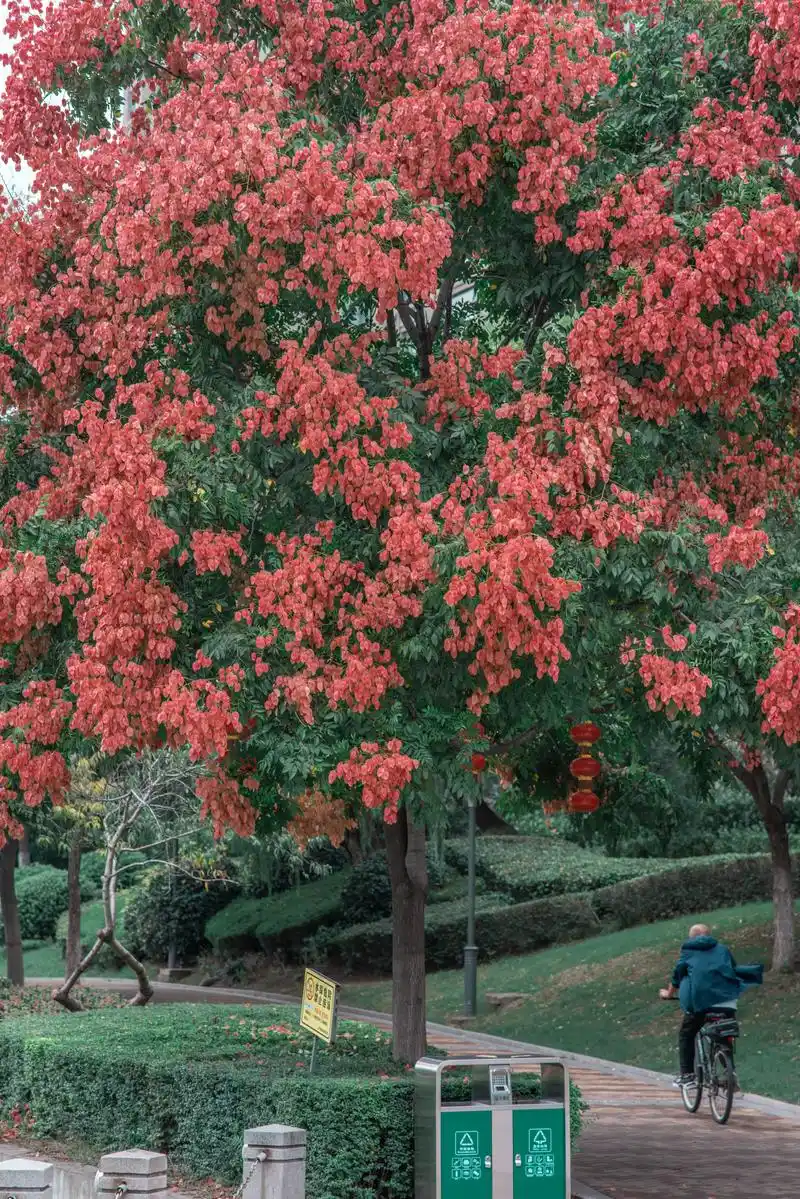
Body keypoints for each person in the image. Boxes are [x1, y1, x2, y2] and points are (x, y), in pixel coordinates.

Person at [659, 923, 763, 1087]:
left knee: (686, 1034)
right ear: (709, 935)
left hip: (701, 1003)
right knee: (724, 1032)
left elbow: (677, 976)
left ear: (691, 937)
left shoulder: (688, 950)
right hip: (727, 1002)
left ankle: (687, 1075)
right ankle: (730, 1075)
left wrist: (668, 994)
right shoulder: (723, 949)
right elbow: (732, 969)